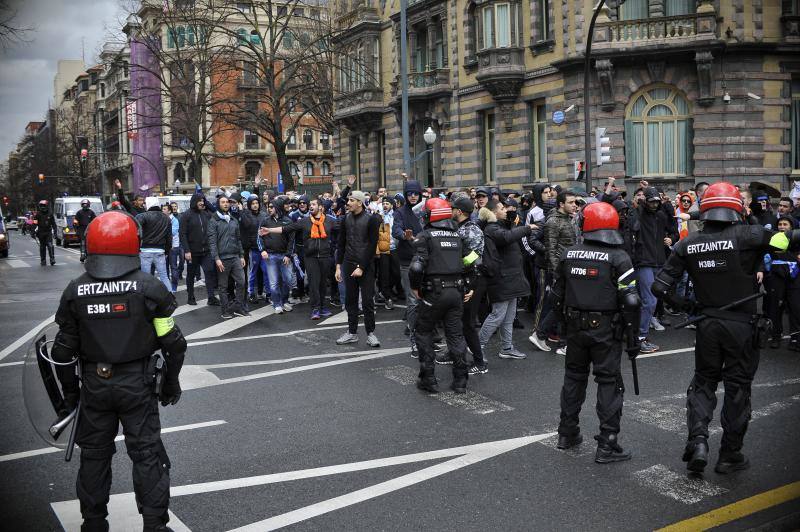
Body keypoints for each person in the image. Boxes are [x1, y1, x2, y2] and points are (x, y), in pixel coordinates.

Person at [652, 182, 800, 474]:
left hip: (706, 324)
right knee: (737, 389)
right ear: (735, 208)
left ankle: (697, 441)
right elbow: (787, 239)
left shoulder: (686, 244)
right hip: (742, 326)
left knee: (703, 383)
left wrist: (687, 306)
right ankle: (730, 454)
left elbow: (659, 287)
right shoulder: (750, 234)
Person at [50, 211, 185, 531]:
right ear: (132, 244)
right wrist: (171, 383)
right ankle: (154, 524)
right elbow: (173, 342)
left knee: (94, 457)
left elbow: (61, 352)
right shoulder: (149, 288)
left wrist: (71, 397)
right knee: (147, 453)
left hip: (95, 387)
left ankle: (93, 523)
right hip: (138, 384)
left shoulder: (75, 291)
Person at [552, 202, 640, 463]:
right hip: (605, 328)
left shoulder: (569, 254)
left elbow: (556, 295)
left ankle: (567, 434)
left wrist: (563, 325)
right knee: (609, 382)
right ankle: (608, 443)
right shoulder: (620, 257)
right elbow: (632, 301)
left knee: (574, 378)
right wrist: (632, 336)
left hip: (574, 326)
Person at [411, 198, 476, 394]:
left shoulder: (425, 237)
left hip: (434, 293)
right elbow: (473, 261)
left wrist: (415, 288)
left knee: (423, 332)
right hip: (456, 292)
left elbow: (416, 267)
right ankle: (460, 382)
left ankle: (429, 379)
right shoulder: (458, 236)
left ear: (429, 216)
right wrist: (470, 286)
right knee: (455, 335)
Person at [478, 199, 536, 359]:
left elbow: (508, 233)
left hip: (510, 278)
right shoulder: (491, 228)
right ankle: (477, 346)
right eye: (502, 208)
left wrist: (512, 222)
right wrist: (526, 228)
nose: (505, 210)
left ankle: (507, 347)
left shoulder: (499, 225)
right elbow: (506, 237)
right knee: (497, 315)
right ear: (493, 212)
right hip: (501, 278)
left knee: (509, 316)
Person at [261, 198, 336, 319]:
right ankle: (315, 309)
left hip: (325, 256)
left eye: (313, 204)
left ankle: (323, 307)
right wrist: (269, 229)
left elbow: (343, 230)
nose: (310, 206)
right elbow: (286, 229)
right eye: (310, 204)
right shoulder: (305, 221)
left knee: (323, 284)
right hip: (310, 257)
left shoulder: (330, 221)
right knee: (313, 284)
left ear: (321, 207)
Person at [335, 191, 382, 346]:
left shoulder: (372, 220)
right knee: (350, 300)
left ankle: (371, 334)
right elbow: (340, 244)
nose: (348, 203)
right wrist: (338, 267)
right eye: (348, 200)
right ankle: (352, 332)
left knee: (368, 300)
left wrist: (361, 267)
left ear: (360, 203)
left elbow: (372, 245)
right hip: (348, 263)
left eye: (351, 200)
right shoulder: (345, 219)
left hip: (366, 265)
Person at [452, 195, 488, 374]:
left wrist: (455, 264)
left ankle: (480, 362)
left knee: (468, 324)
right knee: (458, 322)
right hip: (463, 280)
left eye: (453, 209)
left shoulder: (471, 230)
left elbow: (475, 259)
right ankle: (455, 353)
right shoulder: (459, 227)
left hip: (472, 281)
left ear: (459, 211)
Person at [208, 195, 248, 319]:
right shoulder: (214, 220)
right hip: (222, 259)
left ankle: (237, 307)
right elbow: (212, 242)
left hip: (235, 256)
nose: (226, 204)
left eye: (227, 202)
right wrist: (217, 259)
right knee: (223, 286)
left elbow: (238, 239)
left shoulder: (233, 220)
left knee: (242, 282)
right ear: (218, 204)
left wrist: (241, 255)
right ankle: (225, 310)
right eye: (223, 202)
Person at [257, 197, 296, 314]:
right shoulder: (265, 220)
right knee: (274, 282)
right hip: (270, 256)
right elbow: (259, 236)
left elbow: (291, 240)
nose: (269, 209)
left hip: (285, 255)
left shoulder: (288, 221)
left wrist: (288, 255)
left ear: (278, 207)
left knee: (287, 280)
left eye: (271, 207)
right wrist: (262, 250)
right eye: (268, 207)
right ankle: (277, 303)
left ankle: (284, 301)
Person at [180, 193, 219, 306]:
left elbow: (216, 213)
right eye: (200, 201)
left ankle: (211, 297)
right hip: (192, 252)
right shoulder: (186, 215)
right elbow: (182, 234)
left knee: (209, 272)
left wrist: (206, 201)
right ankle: (190, 296)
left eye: (203, 201)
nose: (202, 203)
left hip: (206, 251)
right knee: (191, 275)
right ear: (194, 202)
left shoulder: (206, 214)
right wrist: (187, 250)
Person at [136, 205, 173, 293]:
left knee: (146, 277)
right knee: (164, 276)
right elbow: (169, 238)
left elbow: (137, 229)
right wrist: (167, 251)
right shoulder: (167, 219)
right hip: (160, 250)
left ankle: (147, 297)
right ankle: (170, 295)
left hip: (145, 250)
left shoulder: (144, 215)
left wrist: (138, 248)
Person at [34, 199, 57, 266]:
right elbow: (34, 223)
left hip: (48, 232)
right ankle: (43, 260)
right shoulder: (37, 215)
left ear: (47, 206)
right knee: (42, 247)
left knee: (50, 245)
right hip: (40, 233)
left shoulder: (50, 214)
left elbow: (54, 224)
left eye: (44, 206)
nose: (42, 207)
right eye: (41, 206)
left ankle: (52, 259)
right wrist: (32, 231)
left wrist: (55, 232)